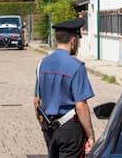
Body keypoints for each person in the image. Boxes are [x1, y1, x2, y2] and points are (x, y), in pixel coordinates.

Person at [34, 18, 95, 157]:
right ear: (73, 41)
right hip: (69, 130)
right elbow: (81, 106)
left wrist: (44, 128)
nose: (78, 46)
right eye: (78, 42)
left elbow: (36, 102)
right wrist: (90, 135)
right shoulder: (76, 66)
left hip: (49, 128)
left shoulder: (42, 64)